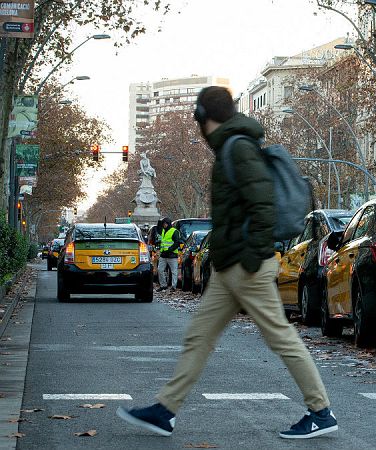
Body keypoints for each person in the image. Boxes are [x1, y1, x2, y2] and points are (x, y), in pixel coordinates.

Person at [117, 86, 337, 439]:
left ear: (206, 118)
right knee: (199, 336)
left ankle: (320, 410)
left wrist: (251, 258)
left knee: (281, 338)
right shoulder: (231, 147)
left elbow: (262, 203)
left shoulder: (238, 148)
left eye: (197, 120)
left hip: (245, 265)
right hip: (230, 265)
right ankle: (165, 409)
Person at [157, 217, 183, 291]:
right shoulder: (163, 231)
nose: (164, 225)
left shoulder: (174, 231)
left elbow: (177, 243)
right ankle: (163, 285)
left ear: (168, 224)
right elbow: (158, 228)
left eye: (165, 224)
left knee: (174, 272)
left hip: (172, 255)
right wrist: (160, 221)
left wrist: (169, 250)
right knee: (160, 270)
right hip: (163, 255)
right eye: (163, 224)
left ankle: (173, 286)